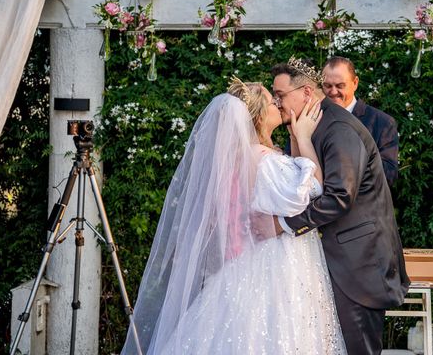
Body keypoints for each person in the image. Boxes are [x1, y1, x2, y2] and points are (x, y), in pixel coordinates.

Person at [120, 78, 347, 354]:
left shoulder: (245, 156)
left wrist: (292, 138)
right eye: (272, 100)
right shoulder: (265, 161)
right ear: (260, 115)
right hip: (273, 266)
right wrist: (302, 137)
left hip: (251, 261)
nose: (278, 103)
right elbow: (313, 189)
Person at [268, 56, 410, 355]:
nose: (276, 102)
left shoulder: (339, 130)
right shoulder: (313, 126)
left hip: (358, 266)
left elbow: (338, 197)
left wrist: (283, 225)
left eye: (280, 95)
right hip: (336, 262)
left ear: (306, 93)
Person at [322, 56, 399, 186]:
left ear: (355, 83)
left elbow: (389, 176)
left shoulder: (382, 122)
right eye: (327, 85)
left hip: (363, 204)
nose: (333, 92)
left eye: (340, 85)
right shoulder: (311, 118)